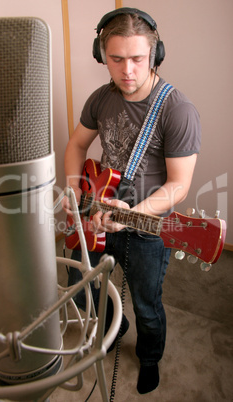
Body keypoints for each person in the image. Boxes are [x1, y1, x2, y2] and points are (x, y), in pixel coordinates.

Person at [62, 7, 201, 394]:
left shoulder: (178, 110)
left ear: (155, 55)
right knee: (81, 283)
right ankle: (112, 326)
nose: (127, 70)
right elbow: (76, 144)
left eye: (138, 59)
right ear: (101, 55)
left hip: (144, 227)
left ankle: (150, 356)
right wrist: (75, 190)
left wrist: (132, 213)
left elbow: (178, 185)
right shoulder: (100, 97)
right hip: (97, 211)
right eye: (116, 59)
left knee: (146, 304)